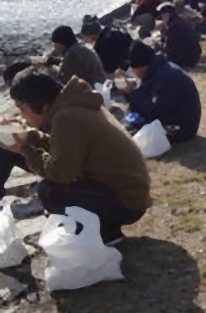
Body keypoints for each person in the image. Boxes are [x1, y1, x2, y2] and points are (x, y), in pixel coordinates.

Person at [1, 73, 151, 245]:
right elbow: (65, 150)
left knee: (49, 191)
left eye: (22, 108)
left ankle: (106, 231)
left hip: (126, 204)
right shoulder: (74, 105)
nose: (22, 115)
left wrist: (25, 149)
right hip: (124, 193)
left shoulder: (66, 118)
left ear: (40, 104)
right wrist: (29, 137)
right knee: (12, 151)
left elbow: (61, 173)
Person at [125, 41, 201, 143]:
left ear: (142, 68)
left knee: (135, 125)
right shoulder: (160, 68)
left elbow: (155, 110)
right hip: (180, 118)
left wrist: (132, 93)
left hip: (183, 129)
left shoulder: (165, 78)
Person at [158, 3, 201, 68]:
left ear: (167, 15)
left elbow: (169, 48)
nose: (161, 19)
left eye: (162, 16)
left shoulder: (173, 26)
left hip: (184, 59)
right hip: (194, 56)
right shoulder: (181, 20)